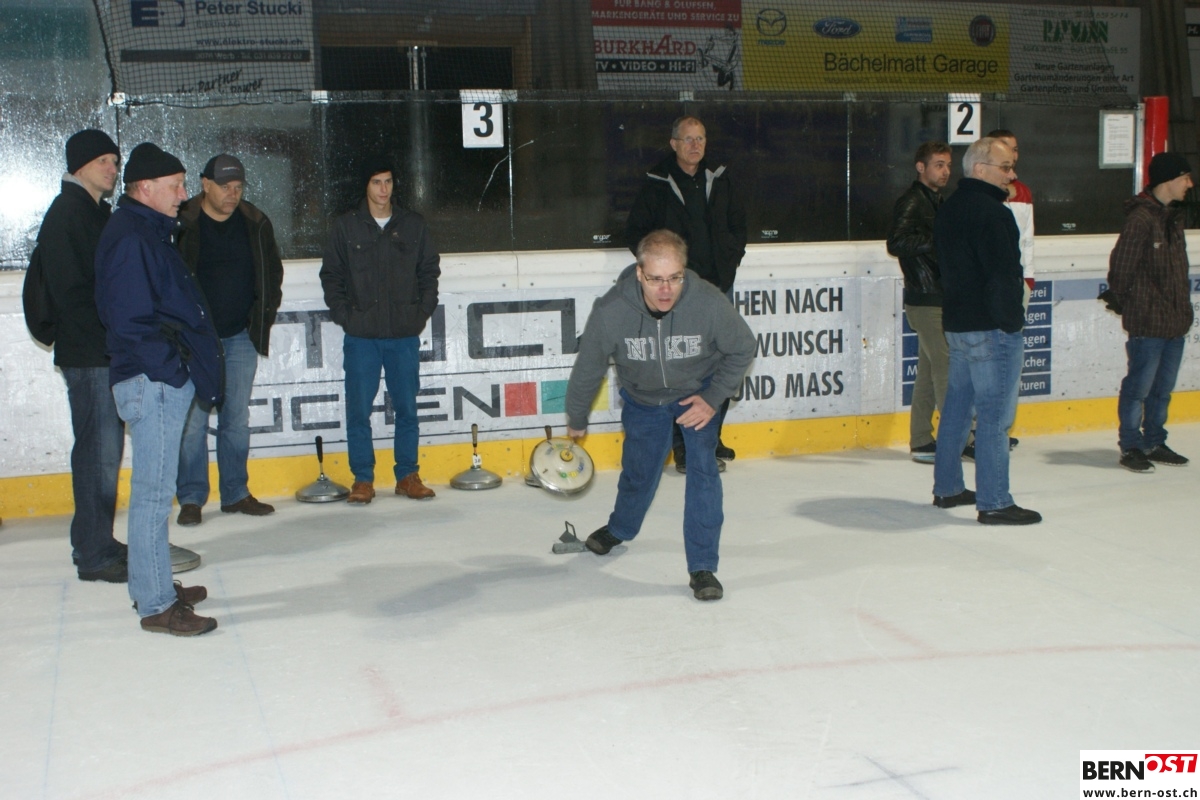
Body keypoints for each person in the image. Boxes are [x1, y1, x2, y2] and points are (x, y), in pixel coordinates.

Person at [567, 230, 755, 600]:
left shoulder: (707, 302)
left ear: (684, 271)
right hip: (644, 399)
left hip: (696, 393)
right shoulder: (612, 310)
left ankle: (702, 567)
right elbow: (589, 367)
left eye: (675, 278)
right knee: (639, 473)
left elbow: (743, 346)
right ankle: (620, 528)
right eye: (655, 279)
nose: (666, 290)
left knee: (703, 472)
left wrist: (712, 397)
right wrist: (577, 416)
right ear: (640, 273)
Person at [95, 142, 222, 635]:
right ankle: (156, 605)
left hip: (157, 379)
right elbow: (129, 321)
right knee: (152, 496)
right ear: (144, 188)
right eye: (175, 186)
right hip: (154, 382)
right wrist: (172, 370)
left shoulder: (145, 231)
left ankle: (155, 585)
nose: (184, 195)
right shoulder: (131, 237)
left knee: (155, 493)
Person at [29, 130, 129, 582]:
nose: (112, 168)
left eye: (115, 161)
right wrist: (113, 335)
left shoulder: (91, 211)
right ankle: (94, 553)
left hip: (99, 352)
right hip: (90, 355)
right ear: (80, 165)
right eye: (104, 160)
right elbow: (72, 293)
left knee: (103, 453)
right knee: (97, 455)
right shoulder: (68, 213)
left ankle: (96, 540)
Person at [625, 115, 747, 473]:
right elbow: (636, 234)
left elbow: (738, 226)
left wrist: (729, 262)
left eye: (701, 139)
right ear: (674, 144)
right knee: (684, 370)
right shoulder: (657, 183)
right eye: (688, 139)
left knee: (720, 363)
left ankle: (710, 437)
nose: (696, 145)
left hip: (718, 287)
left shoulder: (720, 178)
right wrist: (663, 278)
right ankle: (685, 448)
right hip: (678, 293)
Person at [931, 137, 1041, 525]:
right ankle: (994, 501)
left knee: (958, 409)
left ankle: (948, 487)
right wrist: (1011, 322)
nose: (1012, 174)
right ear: (980, 169)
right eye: (1005, 167)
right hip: (991, 328)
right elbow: (1003, 276)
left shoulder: (949, 208)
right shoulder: (994, 214)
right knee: (995, 417)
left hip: (958, 325)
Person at [320, 160, 440, 505]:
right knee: (359, 412)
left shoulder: (413, 225)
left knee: (407, 409)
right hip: (362, 338)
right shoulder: (346, 227)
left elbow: (429, 272)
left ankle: (407, 475)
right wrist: (347, 317)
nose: (383, 189)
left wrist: (419, 315)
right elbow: (332, 276)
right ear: (366, 186)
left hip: (403, 336)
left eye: (388, 181)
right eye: (376, 182)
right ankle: (362, 479)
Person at [175, 154, 283, 526]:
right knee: (192, 423)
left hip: (240, 337)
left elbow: (272, 274)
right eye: (224, 187)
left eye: (237, 187)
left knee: (235, 419)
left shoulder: (255, 222)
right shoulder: (183, 222)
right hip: (195, 342)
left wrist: (259, 320)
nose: (232, 194)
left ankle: (235, 493)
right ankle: (191, 498)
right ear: (205, 184)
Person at [1106, 152, 1194, 473]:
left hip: (1174, 323)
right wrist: (1135, 304)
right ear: (1169, 180)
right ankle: (1131, 445)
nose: (1190, 184)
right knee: (1138, 388)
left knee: (1162, 390)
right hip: (1148, 323)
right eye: (1185, 177)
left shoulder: (1172, 219)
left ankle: (1155, 440)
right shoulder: (1141, 219)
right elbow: (1120, 270)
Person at [886, 141, 951, 464]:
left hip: (935, 294)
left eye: (948, 165)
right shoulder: (912, 200)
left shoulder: (936, 201)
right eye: (939, 164)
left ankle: (922, 440)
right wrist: (936, 240)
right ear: (920, 167)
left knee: (928, 372)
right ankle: (957, 437)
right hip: (924, 299)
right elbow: (896, 242)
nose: (945, 171)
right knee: (945, 368)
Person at [986, 129, 1035, 303]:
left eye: (1015, 150)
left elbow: (1027, 239)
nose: (1012, 155)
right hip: (986, 283)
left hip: (1017, 282)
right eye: (1006, 149)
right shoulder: (980, 192)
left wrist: (1028, 278)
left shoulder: (1024, 192)